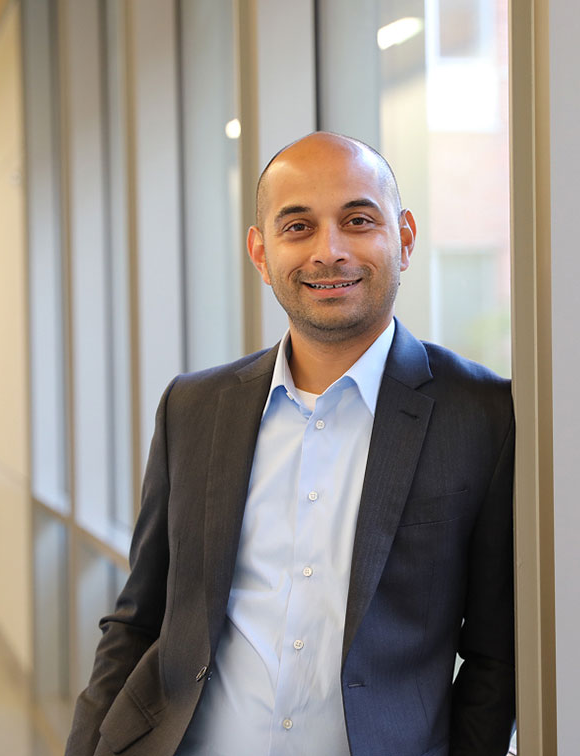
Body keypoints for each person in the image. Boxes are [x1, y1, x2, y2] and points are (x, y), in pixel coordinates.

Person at [65, 132, 516, 756]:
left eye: (358, 221)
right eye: (298, 227)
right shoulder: (192, 409)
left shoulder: (485, 416)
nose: (328, 252)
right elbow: (139, 617)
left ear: (405, 237)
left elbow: (497, 654)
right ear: (261, 251)